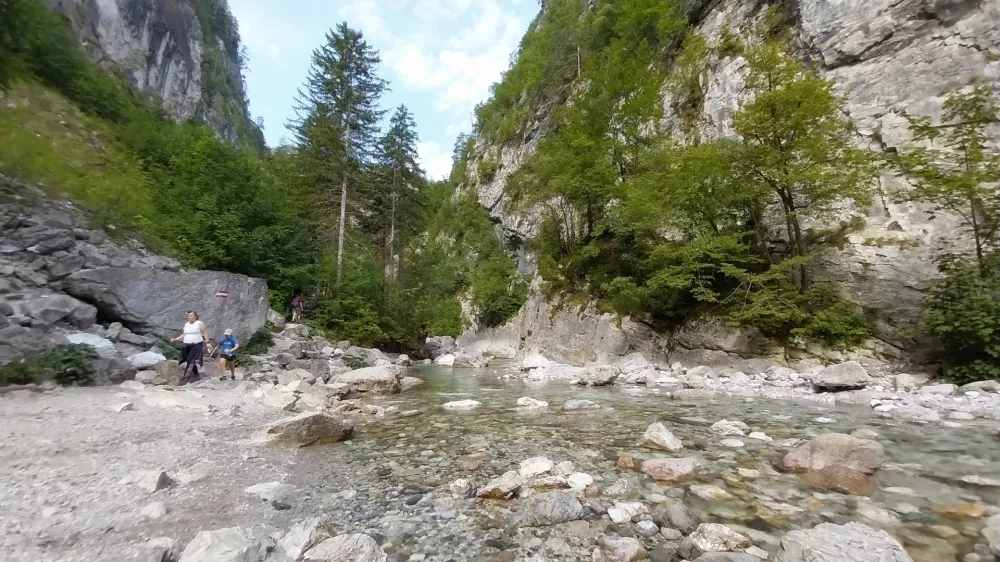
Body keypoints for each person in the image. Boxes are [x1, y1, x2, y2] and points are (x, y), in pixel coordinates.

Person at [170, 311, 211, 384]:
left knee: (190, 360)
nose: (189, 317)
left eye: (191, 316)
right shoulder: (186, 324)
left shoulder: (199, 323)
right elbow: (184, 334)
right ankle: (196, 375)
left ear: (195, 316)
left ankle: (185, 377)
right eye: (188, 316)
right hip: (186, 345)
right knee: (189, 360)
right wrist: (176, 339)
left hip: (196, 344)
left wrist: (207, 342)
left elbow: (205, 333)